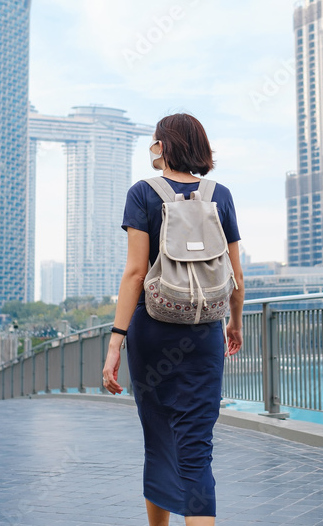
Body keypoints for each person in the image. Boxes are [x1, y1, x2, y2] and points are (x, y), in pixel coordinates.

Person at [103, 113, 244, 526]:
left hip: (152, 332)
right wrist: (234, 324)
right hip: (204, 334)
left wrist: (116, 344)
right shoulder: (221, 195)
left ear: (162, 148)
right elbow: (236, 276)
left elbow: (133, 274)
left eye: (153, 143)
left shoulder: (142, 194)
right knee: (196, 449)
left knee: (159, 441)